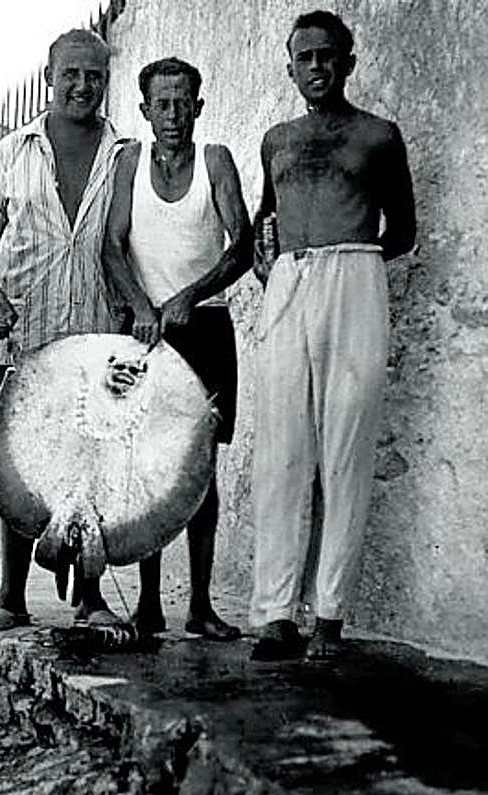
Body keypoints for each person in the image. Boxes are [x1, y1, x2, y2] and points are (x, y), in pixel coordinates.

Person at [249, 10, 416, 660]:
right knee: (281, 454)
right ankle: (273, 613)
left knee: (345, 448)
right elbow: (267, 215)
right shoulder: (276, 139)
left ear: (347, 62)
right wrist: (275, 262)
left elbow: (401, 229)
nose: (316, 67)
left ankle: (329, 616)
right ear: (289, 66)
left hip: (353, 278)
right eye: (304, 57)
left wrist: (351, 263)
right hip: (288, 286)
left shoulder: (377, 135)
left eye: (327, 56)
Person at [0, 29, 131, 633]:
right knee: (17, 465)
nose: (83, 86)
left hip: (95, 334)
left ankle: (89, 598)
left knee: (89, 467)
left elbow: (129, 244)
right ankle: (11, 596)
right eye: (73, 74)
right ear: (49, 75)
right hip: (26, 334)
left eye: (95, 76)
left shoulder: (123, 153)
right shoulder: (12, 153)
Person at [104, 57, 253, 640]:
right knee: (149, 469)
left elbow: (240, 244)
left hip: (204, 327)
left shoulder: (215, 160)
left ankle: (201, 605)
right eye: (161, 104)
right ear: (145, 111)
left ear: (199, 105)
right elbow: (112, 248)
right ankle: (147, 605)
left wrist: (192, 295)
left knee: (200, 471)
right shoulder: (129, 165)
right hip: (145, 334)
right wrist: (143, 306)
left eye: (182, 101)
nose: (172, 113)